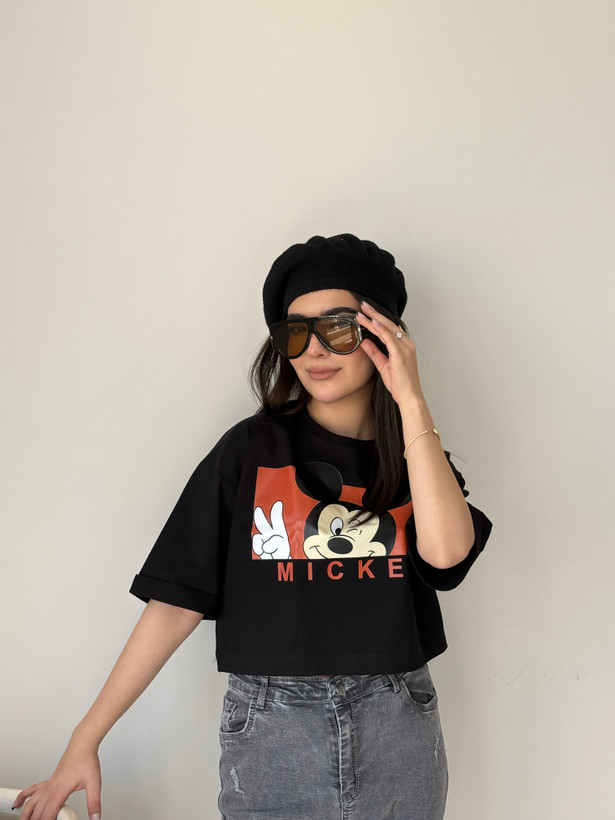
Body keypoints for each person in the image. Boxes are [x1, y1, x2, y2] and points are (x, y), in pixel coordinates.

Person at [14, 234, 492, 820]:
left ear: (384, 335)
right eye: (296, 332)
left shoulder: (416, 458)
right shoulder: (250, 450)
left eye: (338, 328)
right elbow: (176, 601)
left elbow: (446, 556)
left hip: (398, 722)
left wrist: (411, 400)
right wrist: (84, 739)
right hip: (273, 729)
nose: (314, 350)